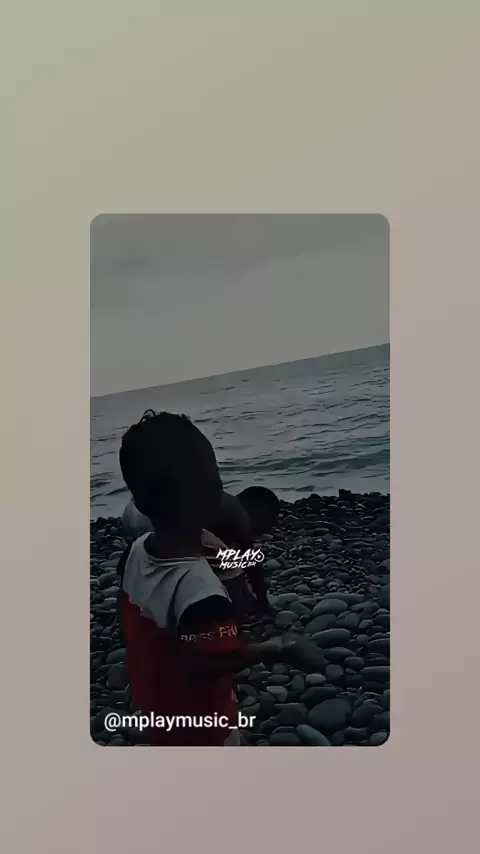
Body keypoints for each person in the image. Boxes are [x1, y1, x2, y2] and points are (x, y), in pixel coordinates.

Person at [117, 409, 324, 746]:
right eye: (217, 477)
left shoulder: (135, 552)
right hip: (204, 729)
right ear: (212, 491)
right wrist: (274, 647)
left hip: (155, 710)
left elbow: (131, 605)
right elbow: (202, 665)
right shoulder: (201, 588)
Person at [120, 485, 279, 616]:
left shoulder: (226, 504)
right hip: (156, 520)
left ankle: (130, 601)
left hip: (137, 510)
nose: (263, 531)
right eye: (266, 525)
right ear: (260, 514)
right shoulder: (241, 517)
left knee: (147, 555)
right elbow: (252, 565)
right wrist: (262, 603)